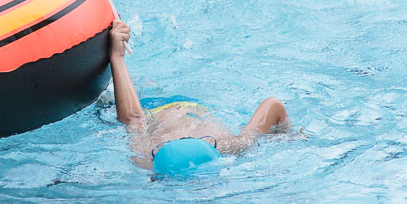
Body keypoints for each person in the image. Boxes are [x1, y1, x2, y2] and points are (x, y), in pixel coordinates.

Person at [109, 20, 289, 174]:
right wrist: (285, 135)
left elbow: (133, 117)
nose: (183, 136)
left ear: (158, 152)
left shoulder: (144, 157)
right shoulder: (232, 145)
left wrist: (116, 55)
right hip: (192, 103)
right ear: (212, 145)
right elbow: (273, 105)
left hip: (148, 109)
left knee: (110, 98)